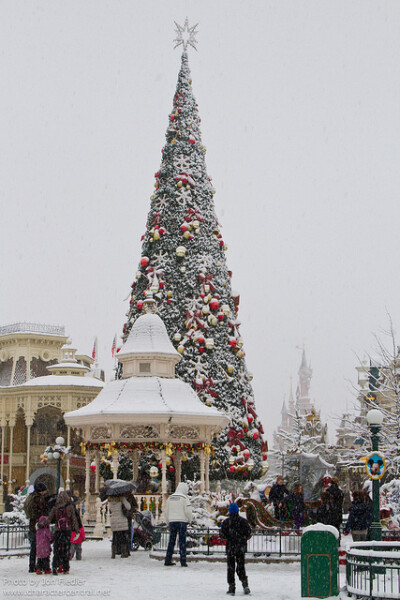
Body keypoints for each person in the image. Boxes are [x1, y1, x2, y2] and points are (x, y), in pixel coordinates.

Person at [220, 503, 252, 596]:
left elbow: (222, 535)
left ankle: (231, 587)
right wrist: (242, 538)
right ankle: (245, 584)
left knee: (230, 567)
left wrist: (229, 536)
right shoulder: (243, 521)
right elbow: (249, 533)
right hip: (241, 547)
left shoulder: (226, 522)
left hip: (231, 547)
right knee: (241, 566)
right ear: (238, 511)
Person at [48, 490, 80, 574]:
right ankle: (66, 568)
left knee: (57, 549)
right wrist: (77, 530)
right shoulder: (70, 507)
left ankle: (55, 566)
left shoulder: (55, 508)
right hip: (67, 530)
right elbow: (74, 519)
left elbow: (49, 519)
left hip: (58, 530)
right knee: (66, 549)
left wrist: (41, 524)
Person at [164, 482, 192, 567]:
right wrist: (189, 520)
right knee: (182, 541)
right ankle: (183, 561)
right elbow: (188, 511)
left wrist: (167, 522)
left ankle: (168, 559)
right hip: (182, 521)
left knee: (171, 541)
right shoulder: (184, 498)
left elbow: (166, 511)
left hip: (172, 521)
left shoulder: (170, 498)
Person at [26, 482, 50, 573]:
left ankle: (31, 566)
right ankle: (39, 565)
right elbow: (43, 511)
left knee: (33, 546)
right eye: (44, 490)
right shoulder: (39, 499)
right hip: (37, 525)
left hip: (32, 524)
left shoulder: (31, 497)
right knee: (38, 546)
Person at [108, 494, 131, 559]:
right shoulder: (122, 499)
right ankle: (123, 552)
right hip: (122, 520)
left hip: (114, 520)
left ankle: (113, 554)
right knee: (123, 537)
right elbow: (128, 507)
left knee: (114, 537)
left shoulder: (110, 500)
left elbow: (110, 509)